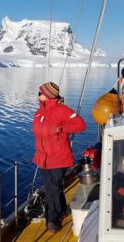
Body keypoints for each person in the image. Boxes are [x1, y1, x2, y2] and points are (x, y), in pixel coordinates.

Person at [32, 82, 86, 232]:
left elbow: (81, 125)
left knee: (52, 189)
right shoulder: (39, 112)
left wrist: (62, 128)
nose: (38, 95)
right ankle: (63, 209)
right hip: (42, 158)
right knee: (52, 187)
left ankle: (53, 219)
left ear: (47, 95)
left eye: (40, 92)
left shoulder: (63, 110)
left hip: (58, 157)